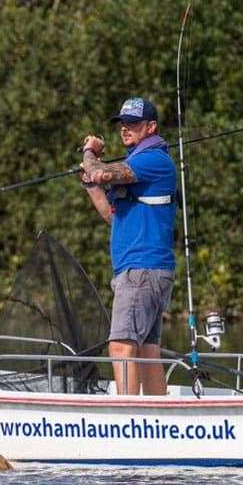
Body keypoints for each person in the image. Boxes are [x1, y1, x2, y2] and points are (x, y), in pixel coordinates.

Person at [80, 97, 177, 395]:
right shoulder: (138, 165)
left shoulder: (153, 160)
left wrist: (89, 153)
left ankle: (129, 419)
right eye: (123, 124)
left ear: (151, 127)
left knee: (121, 347)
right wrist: (90, 182)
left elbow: (102, 172)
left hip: (141, 270)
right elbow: (113, 216)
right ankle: (158, 420)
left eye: (133, 124)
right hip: (144, 270)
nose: (125, 129)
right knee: (147, 352)